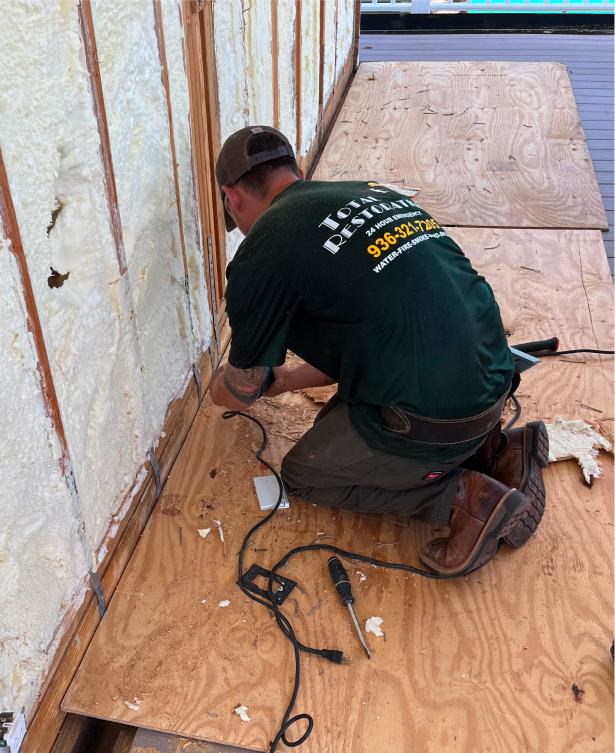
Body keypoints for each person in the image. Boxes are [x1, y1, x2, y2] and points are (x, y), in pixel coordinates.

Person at [209, 125, 548, 577]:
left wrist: (217, 388)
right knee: (341, 419)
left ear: (233, 199)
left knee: (304, 473)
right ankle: (502, 450)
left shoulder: (261, 251)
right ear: (298, 173)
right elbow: (367, 333)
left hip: (438, 418)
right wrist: (287, 380)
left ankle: (466, 501)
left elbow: (241, 392)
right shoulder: (372, 193)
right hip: (492, 383)